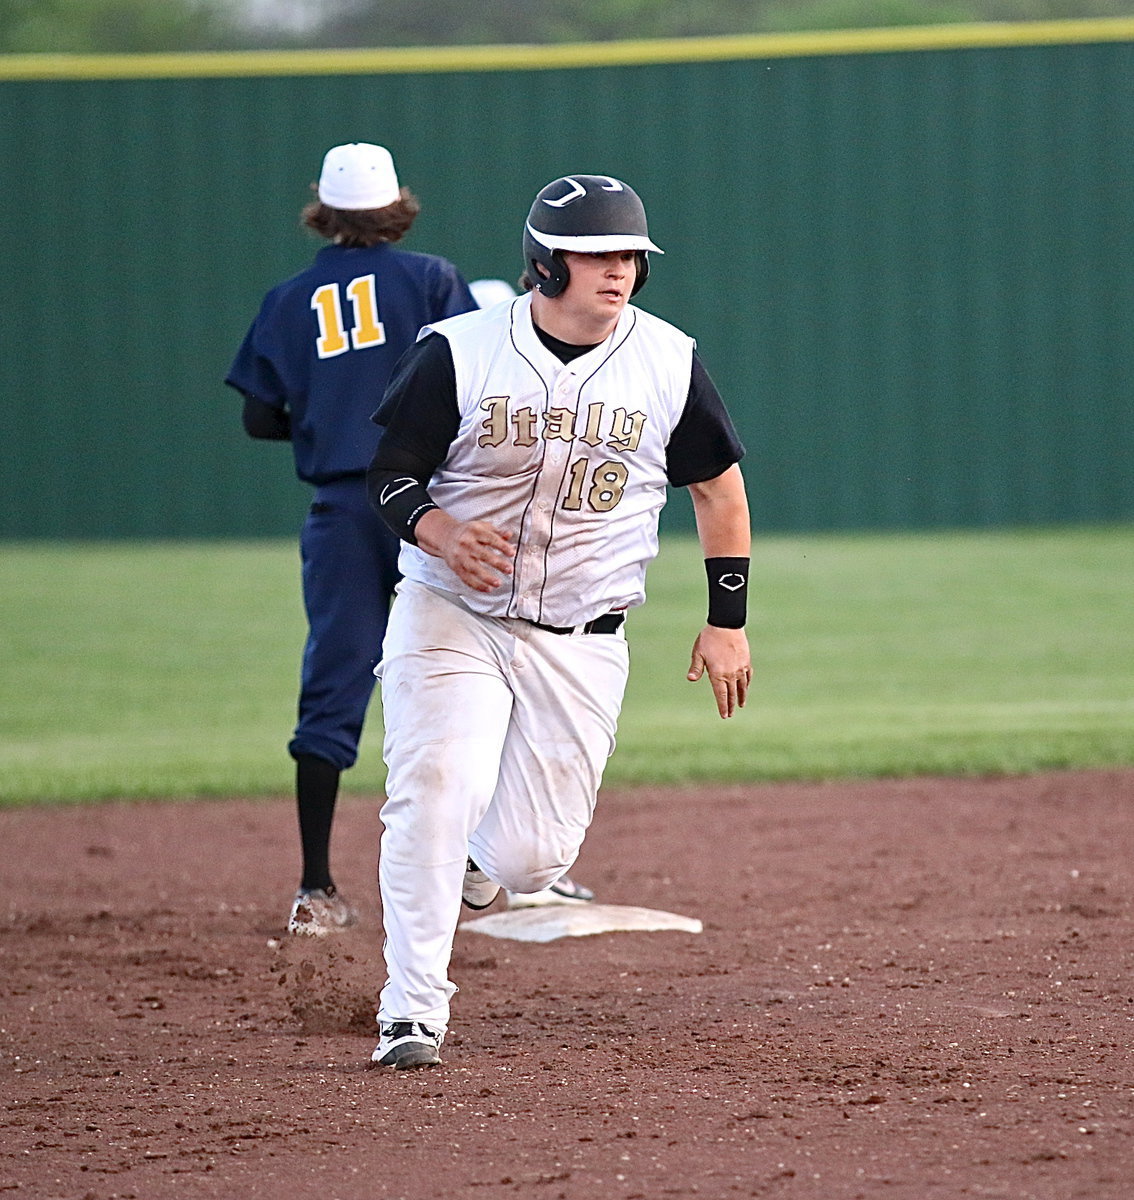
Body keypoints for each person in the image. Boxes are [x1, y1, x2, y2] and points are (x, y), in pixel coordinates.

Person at [365, 173, 752, 1069]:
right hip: (450, 611)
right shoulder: (458, 352)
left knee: (535, 859)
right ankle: (411, 1011)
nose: (617, 272)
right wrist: (437, 526)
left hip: (583, 632)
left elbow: (717, 490)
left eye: (629, 256)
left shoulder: (667, 360)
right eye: (596, 255)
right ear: (546, 264)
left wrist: (725, 619)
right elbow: (387, 473)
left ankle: (474, 871)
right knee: (429, 792)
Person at [225, 144, 594, 935]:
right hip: (435, 507)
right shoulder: (428, 278)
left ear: (321, 209)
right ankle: (496, 865)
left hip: (341, 510)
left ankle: (316, 889)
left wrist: (325, 413)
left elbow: (259, 415)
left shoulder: (286, 299)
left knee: (333, 682)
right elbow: (476, 365)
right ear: (398, 205)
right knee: (499, 661)